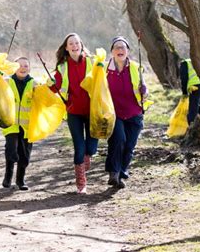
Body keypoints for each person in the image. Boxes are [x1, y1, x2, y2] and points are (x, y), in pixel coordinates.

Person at [48, 33, 97, 194]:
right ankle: (81, 183)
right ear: (67, 48)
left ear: (81, 45)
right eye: (71, 43)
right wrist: (48, 83)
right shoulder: (62, 67)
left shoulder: (92, 62)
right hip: (74, 111)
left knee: (91, 147)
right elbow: (54, 87)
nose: (74, 45)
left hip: (93, 111)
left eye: (77, 43)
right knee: (79, 146)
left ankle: (87, 157)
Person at [105, 36, 148, 189]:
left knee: (129, 145)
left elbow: (144, 88)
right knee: (118, 140)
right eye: (117, 47)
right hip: (114, 113)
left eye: (123, 47)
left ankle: (122, 171)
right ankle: (114, 173)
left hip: (134, 112)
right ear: (112, 52)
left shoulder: (136, 67)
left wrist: (144, 90)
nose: (120, 50)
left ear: (128, 51)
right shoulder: (104, 70)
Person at [2, 57, 35, 190]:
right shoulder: (7, 82)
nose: (22, 68)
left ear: (30, 68)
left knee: (25, 156)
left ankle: (20, 180)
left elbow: (45, 96)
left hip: (27, 126)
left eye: (26, 66)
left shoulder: (34, 84)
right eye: (19, 65)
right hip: (11, 123)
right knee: (11, 151)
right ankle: (8, 175)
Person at [180, 58, 200, 125]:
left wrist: (184, 92)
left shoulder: (185, 63)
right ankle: (199, 124)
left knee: (193, 106)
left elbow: (184, 78)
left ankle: (191, 124)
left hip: (194, 87)